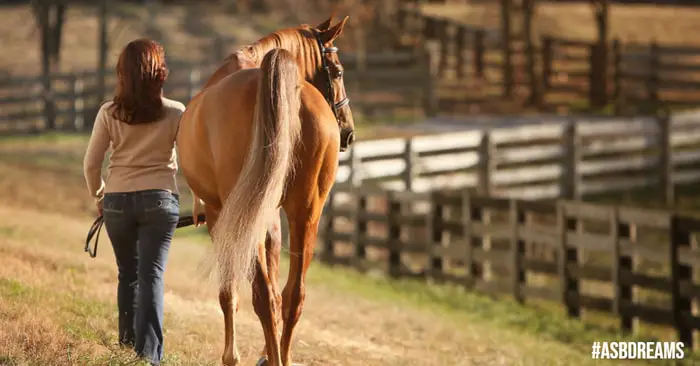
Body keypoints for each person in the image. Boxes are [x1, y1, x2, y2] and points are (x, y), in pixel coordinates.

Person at [82, 38, 185, 366]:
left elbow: (90, 164)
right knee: (151, 273)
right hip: (160, 201)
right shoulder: (177, 112)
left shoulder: (108, 113)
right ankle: (149, 356)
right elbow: (194, 162)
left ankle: (127, 346)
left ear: (123, 74)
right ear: (159, 73)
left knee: (128, 273)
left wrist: (100, 197)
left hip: (117, 202)